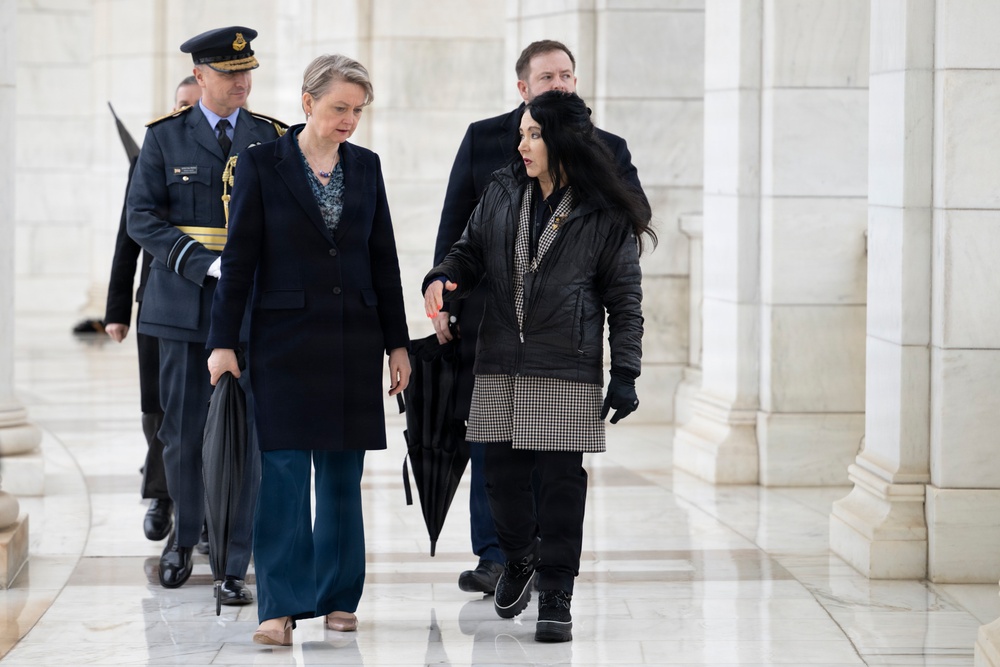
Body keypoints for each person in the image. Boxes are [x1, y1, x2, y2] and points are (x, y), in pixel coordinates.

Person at [423, 90, 655, 643]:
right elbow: (470, 249)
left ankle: (556, 591)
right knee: (501, 478)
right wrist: (444, 277)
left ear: (562, 141)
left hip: (566, 362)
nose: (522, 144)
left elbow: (625, 298)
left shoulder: (603, 213)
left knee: (558, 484)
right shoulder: (504, 189)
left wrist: (625, 371)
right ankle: (520, 557)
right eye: (521, 134)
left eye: (533, 134)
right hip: (501, 355)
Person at [206, 54, 410, 646]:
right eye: (339, 108)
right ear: (307, 103)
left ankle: (340, 596)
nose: (349, 120)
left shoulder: (366, 168)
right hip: (283, 344)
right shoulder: (261, 163)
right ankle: (279, 605)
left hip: (354, 342)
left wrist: (397, 344)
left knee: (343, 478)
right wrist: (223, 342)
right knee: (286, 476)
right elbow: (239, 261)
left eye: (357, 111)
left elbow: (384, 260)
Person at [126, 26, 287, 601]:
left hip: (250, 308)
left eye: (247, 72)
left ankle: (232, 554)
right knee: (182, 430)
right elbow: (140, 218)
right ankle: (181, 540)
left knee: (246, 432)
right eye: (228, 73)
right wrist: (201, 263)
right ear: (201, 77)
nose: (241, 81)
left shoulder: (272, 137)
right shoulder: (165, 138)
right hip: (181, 303)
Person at [105, 76, 200, 543]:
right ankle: (162, 494)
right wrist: (116, 308)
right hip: (156, 302)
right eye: (182, 105)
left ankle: (201, 511)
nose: (188, 113)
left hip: (210, 300)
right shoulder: (151, 152)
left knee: (203, 408)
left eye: (195, 106)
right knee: (157, 407)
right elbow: (128, 238)